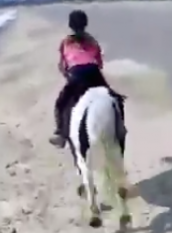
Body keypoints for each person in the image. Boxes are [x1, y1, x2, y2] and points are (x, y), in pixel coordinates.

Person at [51, 9, 125, 148]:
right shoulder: (92, 41)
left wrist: (68, 77)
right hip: (94, 73)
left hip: (77, 75)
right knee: (117, 99)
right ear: (86, 24)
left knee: (61, 104)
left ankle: (61, 134)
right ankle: (120, 128)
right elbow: (99, 63)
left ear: (70, 25)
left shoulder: (65, 42)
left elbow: (62, 66)